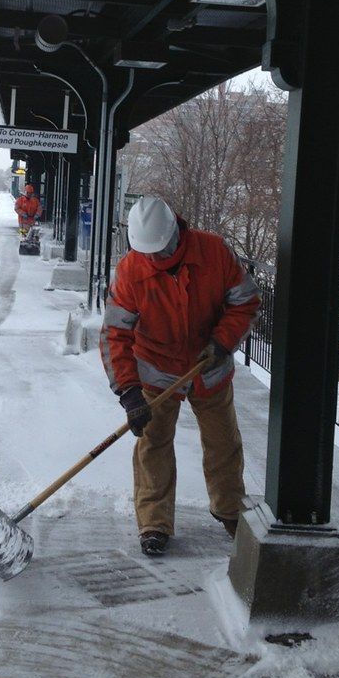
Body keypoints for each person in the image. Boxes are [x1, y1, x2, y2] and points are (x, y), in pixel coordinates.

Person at [99, 196, 260, 556]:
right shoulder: (130, 272)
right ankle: (154, 522)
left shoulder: (214, 252)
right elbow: (115, 334)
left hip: (209, 366)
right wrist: (129, 392)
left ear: (175, 233)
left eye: (162, 251)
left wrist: (222, 343)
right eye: (149, 254)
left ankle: (230, 509)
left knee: (223, 443)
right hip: (155, 370)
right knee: (153, 443)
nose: (156, 259)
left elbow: (245, 300)